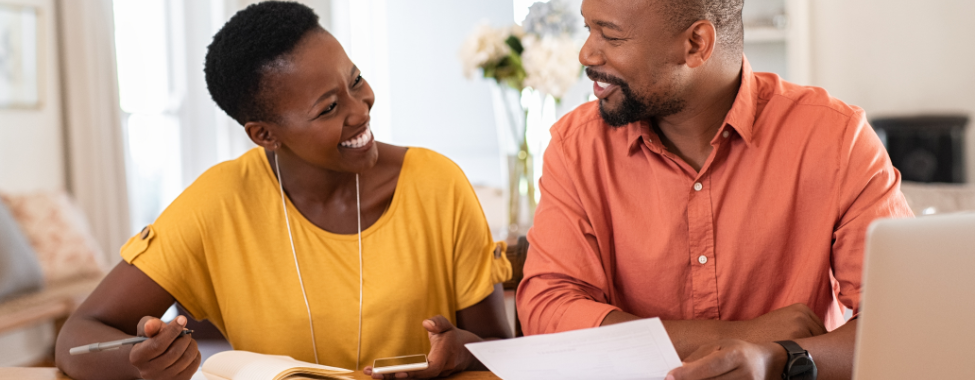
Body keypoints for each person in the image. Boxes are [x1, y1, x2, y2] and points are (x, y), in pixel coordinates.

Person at [55, 2, 512, 380]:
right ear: (264, 135)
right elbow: (77, 336)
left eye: (354, 80)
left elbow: (498, 350)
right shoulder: (218, 203)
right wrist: (141, 365)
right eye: (329, 107)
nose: (360, 110)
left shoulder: (438, 183)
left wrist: (457, 352)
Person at [516, 0, 913, 379]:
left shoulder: (835, 138)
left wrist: (778, 358)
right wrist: (739, 335)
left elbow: (906, 327)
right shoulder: (575, 147)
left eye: (611, 36)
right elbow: (548, 312)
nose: (587, 54)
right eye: (589, 29)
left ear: (696, 44)